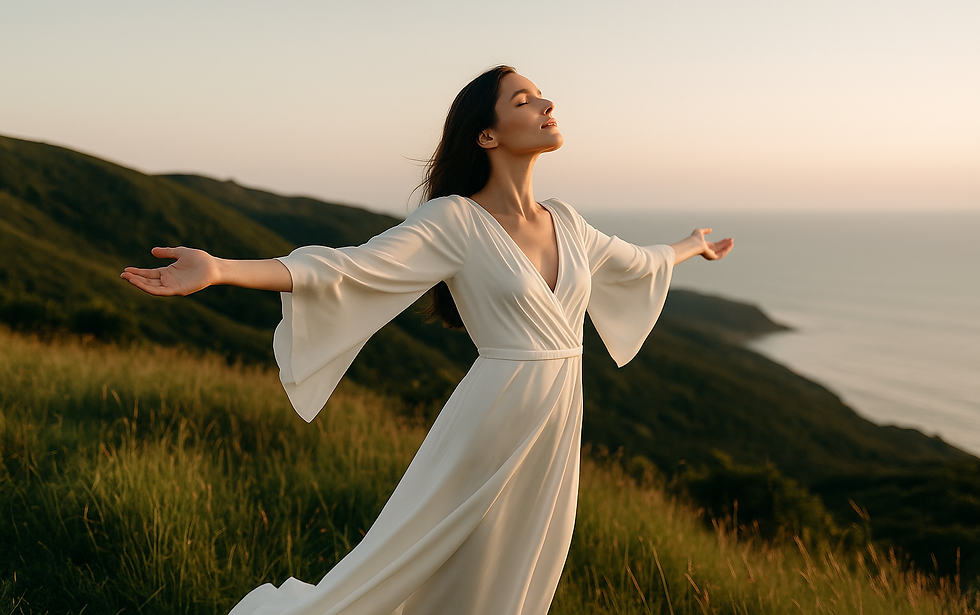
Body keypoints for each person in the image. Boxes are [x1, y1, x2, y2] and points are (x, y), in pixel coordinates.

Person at [121, 65, 733, 615]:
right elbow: (349, 268)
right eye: (523, 101)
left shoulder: (566, 221)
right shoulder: (455, 221)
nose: (547, 105)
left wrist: (691, 246)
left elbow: (638, 262)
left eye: (542, 95)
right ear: (486, 135)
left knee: (522, 562)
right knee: (427, 559)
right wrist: (221, 268)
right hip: (491, 421)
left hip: (557, 421)